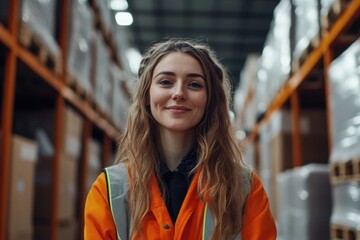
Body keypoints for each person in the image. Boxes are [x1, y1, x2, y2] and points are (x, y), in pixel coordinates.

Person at [84, 38, 277, 240]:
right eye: (166, 82)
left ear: (210, 100)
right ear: (147, 97)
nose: (178, 93)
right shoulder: (109, 190)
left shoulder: (245, 188)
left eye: (194, 85)